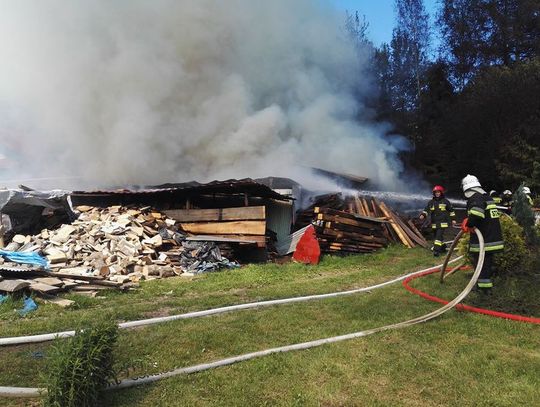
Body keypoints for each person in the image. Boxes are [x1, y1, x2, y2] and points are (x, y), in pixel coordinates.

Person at [461, 174, 504, 292]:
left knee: (482, 264)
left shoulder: (475, 198)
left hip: (484, 238)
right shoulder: (487, 197)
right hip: (492, 236)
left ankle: (484, 290)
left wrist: (469, 224)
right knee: (485, 264)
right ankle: (484, 286)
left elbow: (476, 214)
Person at [419, 185, 456, 257]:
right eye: (436, 192)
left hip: (442, 223)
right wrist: (423, 215)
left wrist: (453, 219)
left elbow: (451, 211)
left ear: (441, 193)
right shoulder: (431, 202)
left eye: (438, 192)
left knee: (438, 237)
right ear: (434, 193)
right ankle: (443, 248)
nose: (437, 193)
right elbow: (426, 209)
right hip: (434, 223)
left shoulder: (445, 201)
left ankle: (436, 251)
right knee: (437, 237)